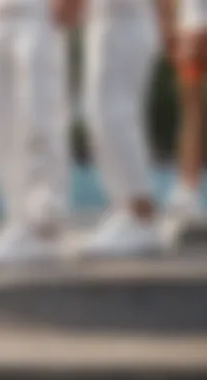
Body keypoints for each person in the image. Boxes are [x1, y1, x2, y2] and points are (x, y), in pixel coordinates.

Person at [0, 0, 75, 269]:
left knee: (38, 118)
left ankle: (43, 227)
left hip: (37, 13)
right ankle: (18, 223)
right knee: (0, 128)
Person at [73, 0, 164, 256]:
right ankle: (125, 206)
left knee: (115, 113)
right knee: (101, 113)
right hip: (109, 18)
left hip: (124, 17)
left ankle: (139, 213)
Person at [164, 0, 207, 225]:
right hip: (191, 26)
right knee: (191, 111)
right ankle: (188, 191)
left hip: (195, 27)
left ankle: (188, 191)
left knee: (192, 113)